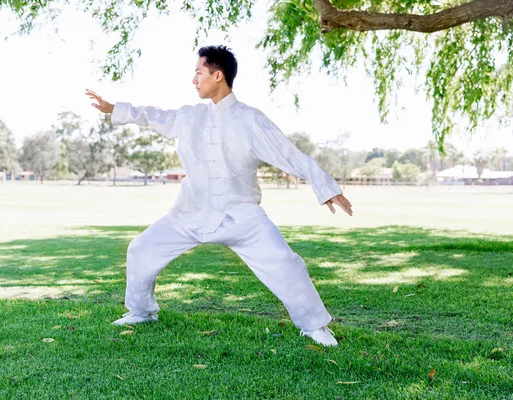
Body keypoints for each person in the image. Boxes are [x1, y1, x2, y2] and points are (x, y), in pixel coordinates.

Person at [85, 45, 353, 347]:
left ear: (218, 75)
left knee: (285, 263)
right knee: (141, 249)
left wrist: (326, 187)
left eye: (199, 72)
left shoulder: (250, 119)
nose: (194, 79)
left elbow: (288, 154)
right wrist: (115, 109)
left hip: (242, 216)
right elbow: (153, 115)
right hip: (190, 213)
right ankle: (142, 311)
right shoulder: (189, 116)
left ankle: (314, 325)